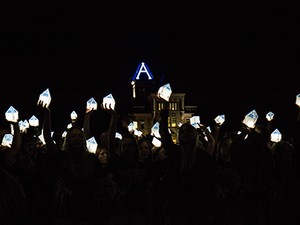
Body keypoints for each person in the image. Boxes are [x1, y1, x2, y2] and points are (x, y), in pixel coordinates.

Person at [158, 107, 217, 225]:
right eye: (183, 131)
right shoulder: (175, 153)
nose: (185, 133)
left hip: (197, 208)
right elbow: (164, 134)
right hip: (177, 207)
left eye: (189, 131)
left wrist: (210, 210)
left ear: (195, 135)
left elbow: (210, 184)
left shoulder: (203, 157)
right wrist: (164, 113)